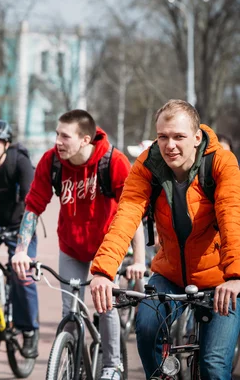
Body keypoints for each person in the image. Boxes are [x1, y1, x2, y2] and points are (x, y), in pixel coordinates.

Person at [90, 99, 240, 379]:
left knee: (213, 366)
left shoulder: (221, 162)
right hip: (169, 272)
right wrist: (102, 271)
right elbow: (126, 215)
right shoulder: (148, 165)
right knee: (146, 325)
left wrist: (235, 275)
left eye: (179, 137)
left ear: (197, 138)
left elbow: (232, 216)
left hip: (220, 277)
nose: (170, 145)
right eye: (163, 137)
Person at [12, 109, 146, 380]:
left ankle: (112, 366)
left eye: (64, 136)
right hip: (71, 246)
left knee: (105, 305)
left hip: (106, 248)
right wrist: (21, 249)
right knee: (69, 309)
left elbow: (132, 213)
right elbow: (34, 206)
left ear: (85, 139)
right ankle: (71, 359)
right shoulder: (53, 161)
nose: (57, 142)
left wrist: (140, 260)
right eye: (56, 135)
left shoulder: (114, 162)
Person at [0, 119, 39, 358]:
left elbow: (32, 204)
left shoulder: (19, 163)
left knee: (22, 274)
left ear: (6, 144)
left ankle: (29, 330)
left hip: (19, 225)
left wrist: (22, 245)